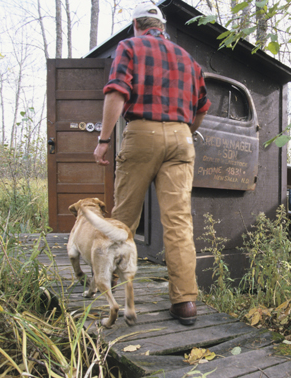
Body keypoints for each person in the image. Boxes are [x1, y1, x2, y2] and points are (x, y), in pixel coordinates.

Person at [94, 1, 210, 326]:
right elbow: (202, 107)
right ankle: (185, 302)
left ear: (136, 26)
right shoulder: (188, 59)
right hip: (182, 138)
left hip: (142, 131)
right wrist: (183, 131)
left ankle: (111, 293)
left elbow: (117, 92)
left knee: (124, 218)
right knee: (178, 223)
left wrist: (104, 140)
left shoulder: (129, 47)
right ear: (163, 28)